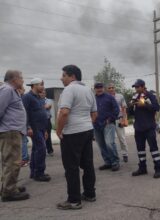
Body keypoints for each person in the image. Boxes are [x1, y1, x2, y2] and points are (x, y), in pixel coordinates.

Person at [56, 65, 97, 210]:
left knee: (71, 167)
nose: (61, 78)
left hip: (72, 133)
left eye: (64, 75)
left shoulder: (69, 89)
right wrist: (85, 125)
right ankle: (90, 194)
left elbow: (64, 112)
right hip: (87, 130)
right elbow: (94, 114)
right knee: (87, 164)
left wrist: (58, 130)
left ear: (72, 76)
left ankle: (74, 200)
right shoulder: (88, 90)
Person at [0, 70, 30, 202]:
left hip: (12, 131)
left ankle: (8, 186)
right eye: (21, 78)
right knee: (13, 162)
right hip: (10, 131)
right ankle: (8, 192)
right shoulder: (7, 90)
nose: (23, 80)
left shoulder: (11, 90)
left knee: (10, 161)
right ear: (14, 79)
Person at [128, 79, 160, 179]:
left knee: (153, 149)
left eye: (138, 86)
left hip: (149, 127)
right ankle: (142, 168)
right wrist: (130, 107)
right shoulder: (135, 97)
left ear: (143, 86)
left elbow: (156, 107)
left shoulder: (150, 95)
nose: (136, 88)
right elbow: (131, 113)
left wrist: (145, 105)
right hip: (138, 127)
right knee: (140, 150)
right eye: (135, 87)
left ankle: (158, 168)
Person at [22, 78, 51, 182]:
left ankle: (34, 172)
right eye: (41, 85)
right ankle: (39, 173)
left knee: (36, 149)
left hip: (42, 128)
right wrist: (28, 127)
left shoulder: (40, 97)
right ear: (34, 86)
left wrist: (46, 130)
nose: (43, 87)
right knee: (42, 149)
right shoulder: (27, 97)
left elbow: (42, 112)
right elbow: (24, 113)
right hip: (34, 128)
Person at [94, 83, 120, 171]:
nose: (99, 89)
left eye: (100, 87)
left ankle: (115, 162)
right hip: (96, 125)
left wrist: (110, 119)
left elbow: (117, 109)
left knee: (109, 143)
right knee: (101, 145)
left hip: (108, 123)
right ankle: (108, 162)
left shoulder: (110, 97)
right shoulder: (93, 99)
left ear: (103, 88)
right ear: (94, 89)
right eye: (97, 88)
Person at [107, 83, 129, 163]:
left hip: (118, 119)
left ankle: (125, 154)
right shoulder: (105, 97)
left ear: (114, 88)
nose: (111, 89)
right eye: (109, 88)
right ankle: (112, 156)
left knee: (121, 138)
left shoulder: (120, 96)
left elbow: (124, 108)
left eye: (112, 87)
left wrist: (124, 119)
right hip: (109, 121)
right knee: (109, 140)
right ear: (107, 89)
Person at [17, 87, 30, 167]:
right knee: (24, 141)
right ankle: (25, 157)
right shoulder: (20, 98)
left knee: (23, 141)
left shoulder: (22, 99)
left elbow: (25, 113)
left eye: (20, 89)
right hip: (22, 124)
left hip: (22, 124)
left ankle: (24, 159)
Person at [39, 89, 54, 156]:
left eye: (43, 93)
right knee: (40, 136)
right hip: (39, 121)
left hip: (47, 120)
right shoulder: (37, 100)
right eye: (41, 93)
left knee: (48, 136)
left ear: (45, 94)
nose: (42, 94)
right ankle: (41, 150)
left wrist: (39, 106)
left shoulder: (49, 100)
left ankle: (50, 150)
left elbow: (48, 106)